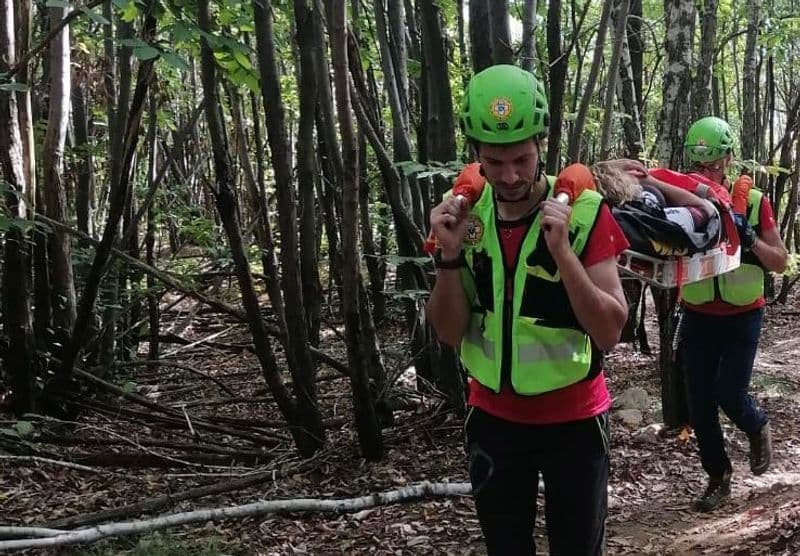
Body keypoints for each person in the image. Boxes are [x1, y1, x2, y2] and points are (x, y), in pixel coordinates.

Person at [425, 64, 628, 555]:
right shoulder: (463, 217)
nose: (510, 176)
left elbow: (609, 331)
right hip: (494, 421)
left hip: (574, 421)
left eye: (522, 159)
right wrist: (448, 256)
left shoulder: (584, 212)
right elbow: (450, 333)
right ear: (475, 154)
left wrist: (561, 253)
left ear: (541, 143)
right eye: (493, 163)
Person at [677, 116, 787, 512]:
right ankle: (718, 477)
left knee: (730, 393)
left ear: (728, 159)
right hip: (697, 313)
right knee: (700, 404)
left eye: (714, 163)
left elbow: (779, 261)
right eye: (698, 163)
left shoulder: (755, 202)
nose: (707, 172)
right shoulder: (680, 199)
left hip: (742, 315)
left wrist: (750, 235)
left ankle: (756, 424)